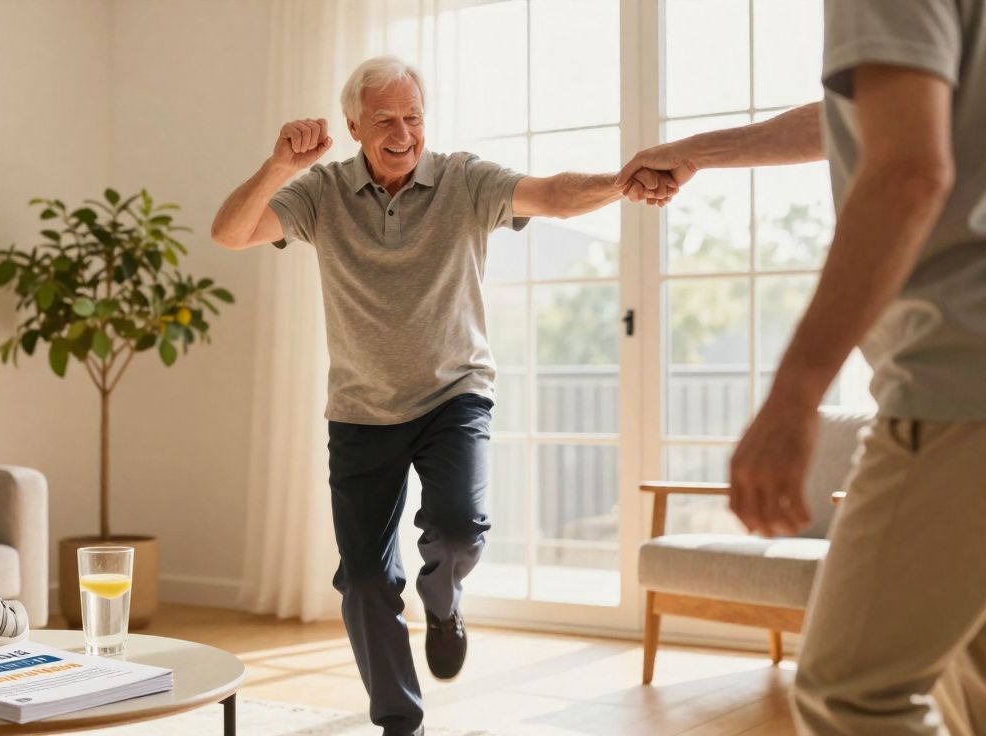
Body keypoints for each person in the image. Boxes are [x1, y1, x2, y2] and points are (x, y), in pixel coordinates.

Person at [212, 56, 676, 736]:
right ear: (352, 127)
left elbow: (551, 194)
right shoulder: (321, 193)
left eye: (413, 117)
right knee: (365, 579)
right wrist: (280, 165)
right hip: (360, 410)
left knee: (459, 528)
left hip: (454, 394)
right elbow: (230, 233)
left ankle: (442, 595)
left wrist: (619, 182)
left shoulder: (464, 180)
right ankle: (401, 722)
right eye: (384, 120)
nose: (403, 133)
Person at [616, 1, 986, 733]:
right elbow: (868, 114)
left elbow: (907, 171)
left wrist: (794, 397)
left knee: (851, 697)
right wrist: (699, 151)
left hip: (956, 386)